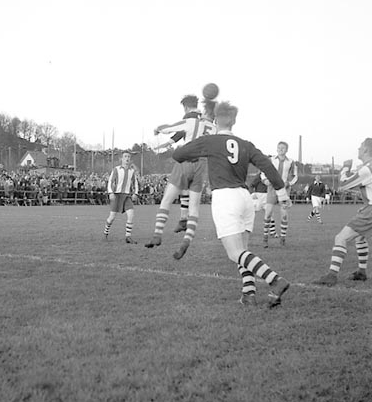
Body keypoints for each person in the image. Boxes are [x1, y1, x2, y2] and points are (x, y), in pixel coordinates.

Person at [172, 101, 291, 308]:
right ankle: (248, 294)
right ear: (234, 121)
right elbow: (267, 165)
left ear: (215, 120)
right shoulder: (246, 144)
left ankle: (275, 280)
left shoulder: (210, 141)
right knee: (243, 251)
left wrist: (198, 144)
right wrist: (281, 192)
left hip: (225, 198)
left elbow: (178, 155)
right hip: (245, 198)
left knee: (235, 253)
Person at [145, 95, 216, 260]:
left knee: (167, 200)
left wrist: (157, 129)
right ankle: (186, 240)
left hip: (185, 161)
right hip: (201, 166)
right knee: (194, 207)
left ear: (185, 107)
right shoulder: (212, 128)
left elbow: (169, 128)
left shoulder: (190, 121)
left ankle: (157, 234)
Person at [313, 139, 372, 285]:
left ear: (366, 150)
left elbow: (343, 184)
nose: (358, 149)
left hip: (370, 210)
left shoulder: (367, 169)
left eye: (360, 147)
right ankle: (361, 272)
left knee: (341, 238)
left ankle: (332, 275)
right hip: (368, 207)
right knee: (359, 238)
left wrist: (345, 167)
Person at [262, 141, 298, 247]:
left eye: (283, 148)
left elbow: (295, 175)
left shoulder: (291, 162)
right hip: (272, 188)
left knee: (284, 215)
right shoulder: (271, 160)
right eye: (279, 147)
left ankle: (283, 238)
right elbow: (263, 171)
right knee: (268, 213)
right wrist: (265, 180)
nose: (281, 149)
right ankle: (265, 238)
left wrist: (289, 183)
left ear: (286, 150)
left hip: (284, 190)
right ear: (277, 149)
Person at [103, 151, 139, 243]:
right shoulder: (116, 169)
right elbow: (110, 181)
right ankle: (106, 232)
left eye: (128, 157)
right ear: (122, 159)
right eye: (125, 156)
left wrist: (135, 193)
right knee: (112, 217)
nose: (127, 158)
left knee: (131, 214)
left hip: (126, 196)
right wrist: (110, 193)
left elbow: (135, 183)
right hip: (117, 195)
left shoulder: (132, 171)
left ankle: (128, 237)